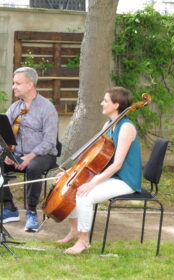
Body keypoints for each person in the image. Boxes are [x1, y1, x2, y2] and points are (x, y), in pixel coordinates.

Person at [58, 86, 142, 254]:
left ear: (116, 105)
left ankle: (83, 241)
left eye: (106, 101)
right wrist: (72, 173)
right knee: (76, 186)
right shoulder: (108, 124)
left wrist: (92, 183)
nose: (102, 103)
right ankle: (75, 231)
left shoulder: (126, 127)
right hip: (114, 176)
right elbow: (98, 158)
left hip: (126, 179)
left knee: (85, 195)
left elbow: (117, 164)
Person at [0, 67, 58, 232]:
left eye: (17, 83)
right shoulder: (14, 108)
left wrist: (30, 157)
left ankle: (32, 212)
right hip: (17, 154)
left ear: (30, 84)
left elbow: (49, 141)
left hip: (43, 155)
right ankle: (8, 207)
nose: (14, 87)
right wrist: (6, 153)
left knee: (33, 168)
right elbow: (2, 135)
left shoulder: (47, 108)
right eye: (14, 83)